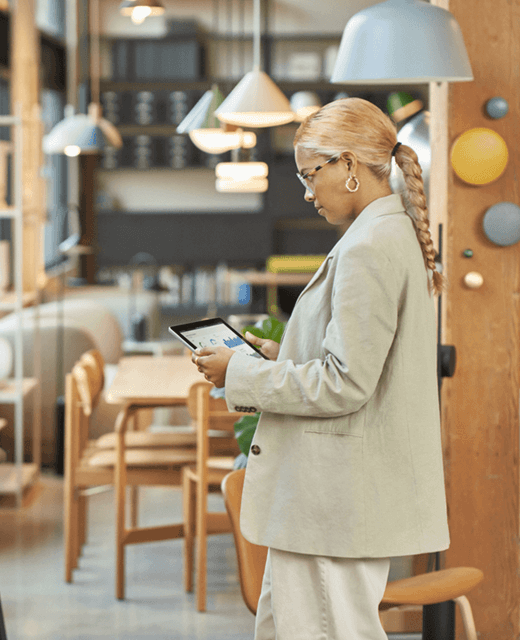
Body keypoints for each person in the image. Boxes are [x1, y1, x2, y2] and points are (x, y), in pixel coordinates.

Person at [193, 98, 449, 639]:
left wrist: (237, 374)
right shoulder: (386, 236)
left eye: (310, 174)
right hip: (332, 502)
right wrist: (270, 356)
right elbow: (354, 363)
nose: (307, 193)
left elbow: (345, 383)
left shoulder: (368, 248)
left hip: (334, 501)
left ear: (349, 166)